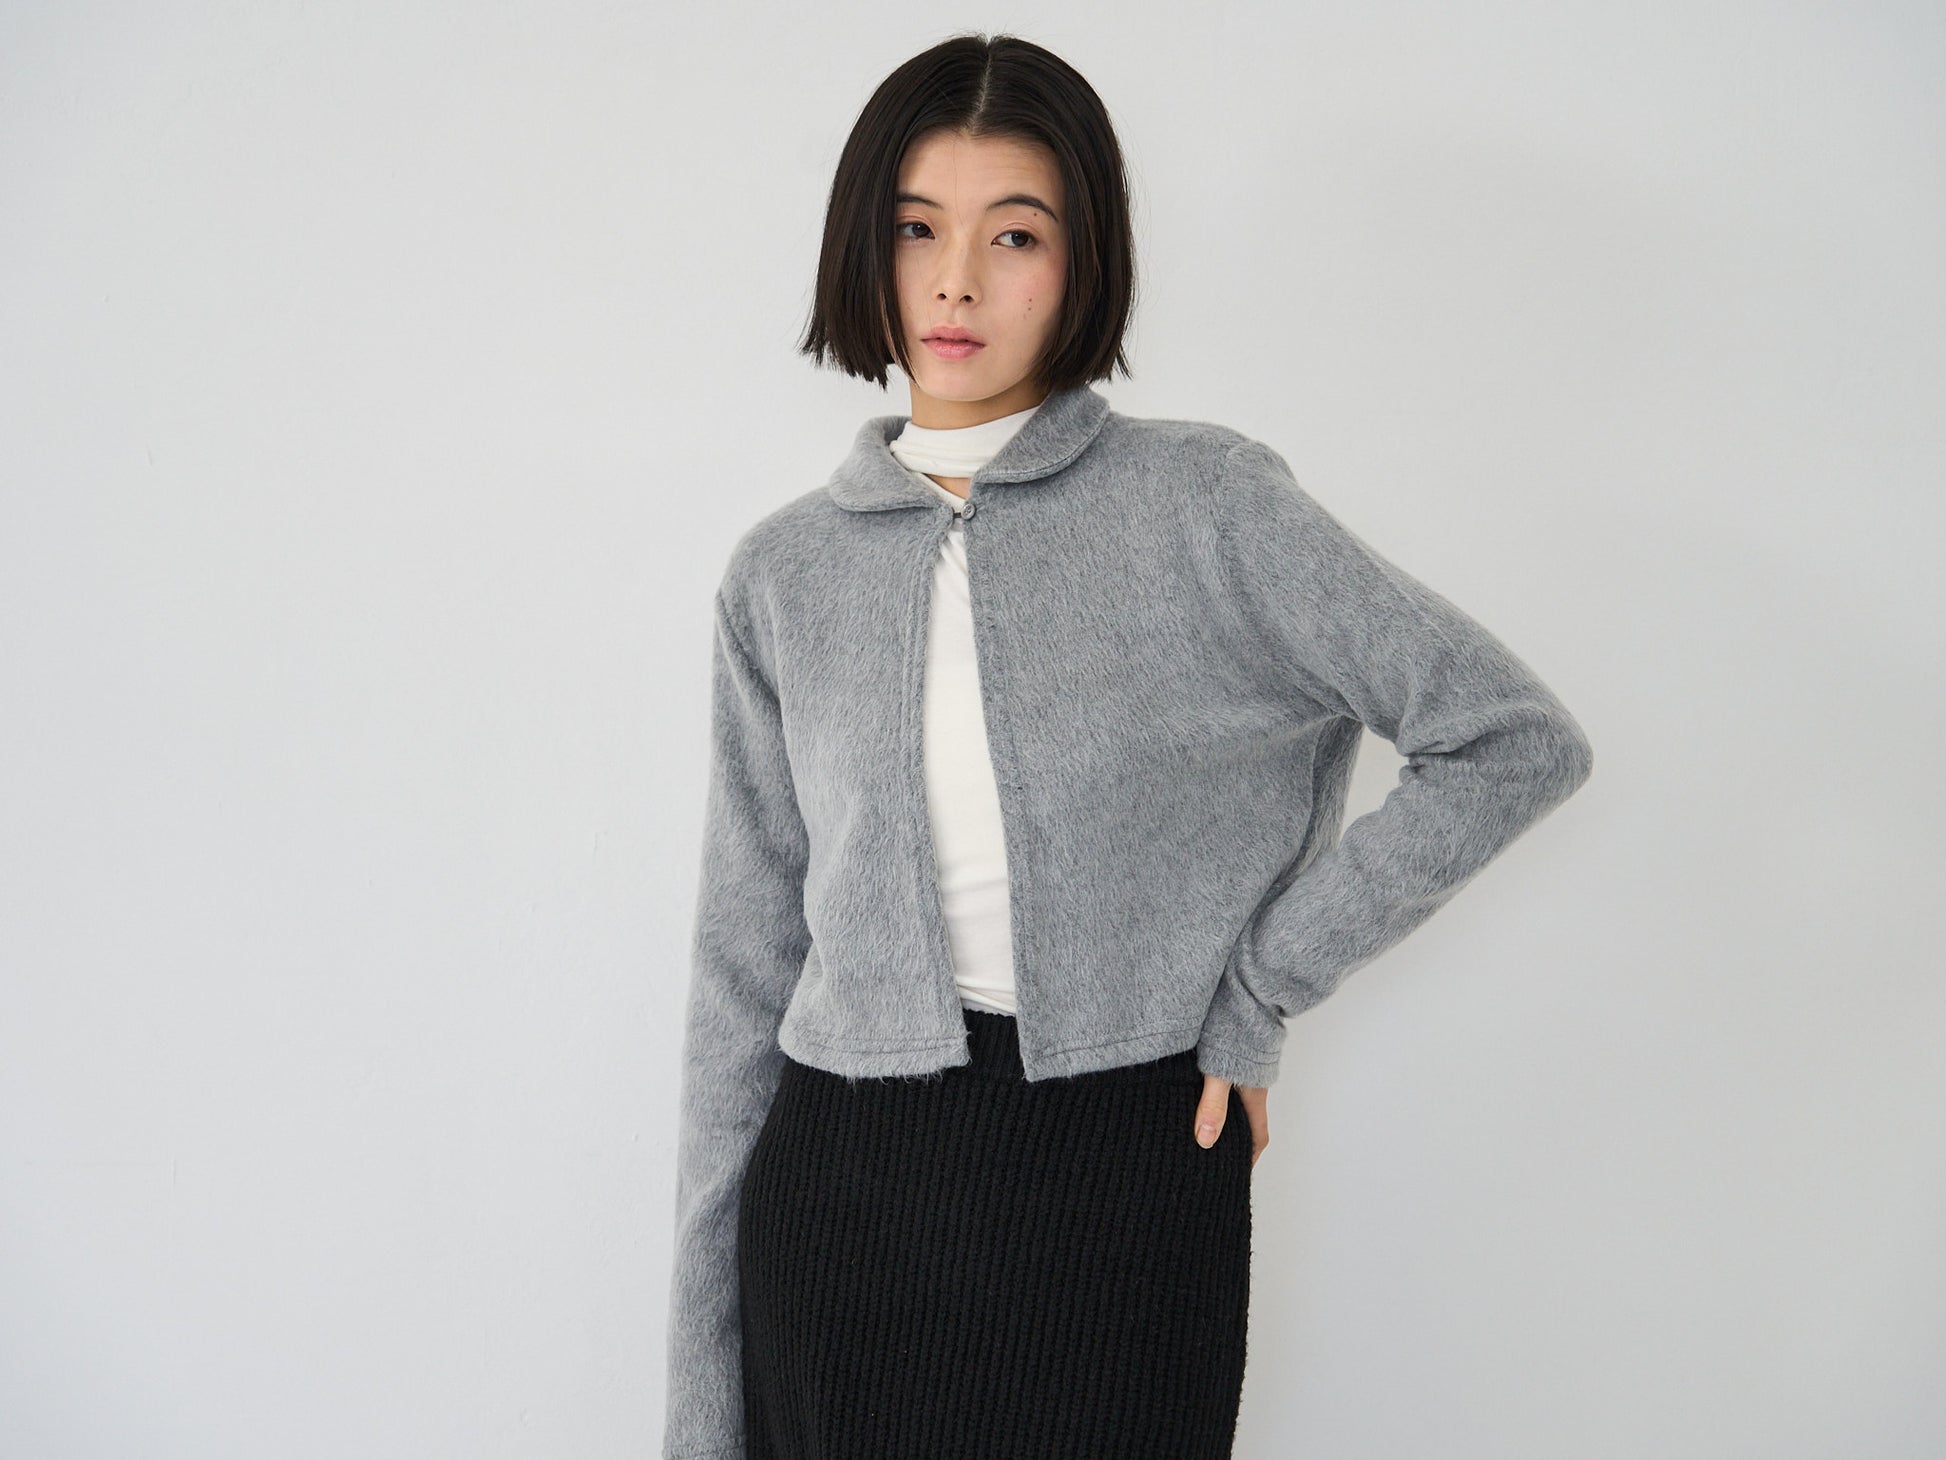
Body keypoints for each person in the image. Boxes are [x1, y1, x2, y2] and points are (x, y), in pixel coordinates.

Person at [662, 32, 1594, 1460]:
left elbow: (1507, 739)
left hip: (1127, 1182)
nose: (956, 282)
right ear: (863, 247)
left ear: (1083, 256)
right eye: (915, 229)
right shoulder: (783, 573)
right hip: (841, 1200)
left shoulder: (1207, 506)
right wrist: (698, 1417)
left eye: (1013, 235)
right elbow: (741, 978)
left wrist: (1262, 986)